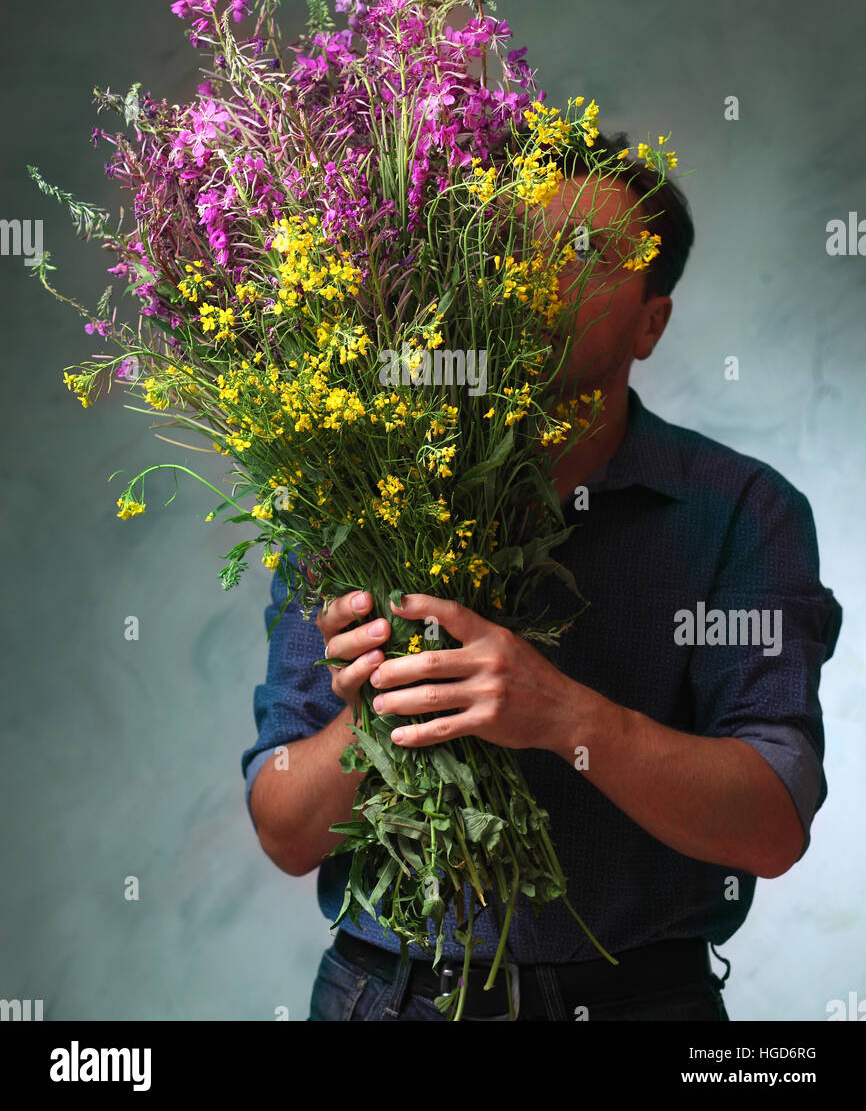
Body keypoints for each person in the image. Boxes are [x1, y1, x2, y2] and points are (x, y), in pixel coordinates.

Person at [241, 139, 841, 1021]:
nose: (534, 277)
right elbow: (287, 833)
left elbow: (772, 820)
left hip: (640, 1002)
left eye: (587, 255)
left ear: (651, 323)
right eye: (517, 243)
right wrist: (377, 711)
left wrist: (561, 715)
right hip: (390, 997)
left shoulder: (741, 514)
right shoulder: (356, 495)